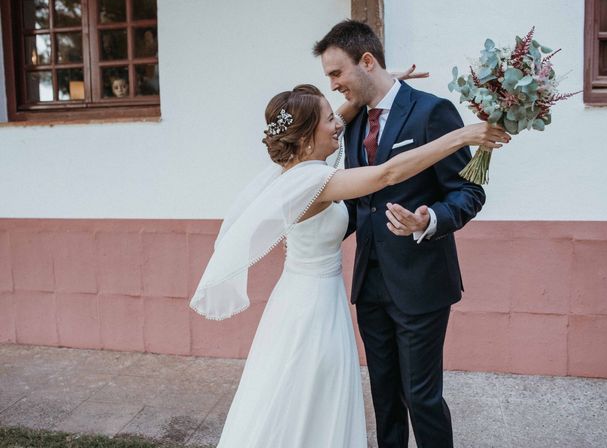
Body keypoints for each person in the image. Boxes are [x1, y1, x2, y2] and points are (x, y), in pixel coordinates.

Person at [189, 82, 509, 447]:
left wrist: (372, 88)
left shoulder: (292, 173)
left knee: (299, 390)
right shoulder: (316, 181)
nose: (339, 122)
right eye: (330, 118)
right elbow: (388, 173)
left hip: (304, 297)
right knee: (311, 391)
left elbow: (332, 120)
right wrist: (461, 135)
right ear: (308, 135)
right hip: (312, 308)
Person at [313, 20, 486, 448]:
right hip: (369, 283)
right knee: (385, 397)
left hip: (421, 283)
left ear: (367, 61)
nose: (334, 85)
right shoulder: (352, 124)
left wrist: (429, 219)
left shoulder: (432, 112)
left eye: (337, 73)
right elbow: (359, 201)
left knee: (421, 397)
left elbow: (468, 191)